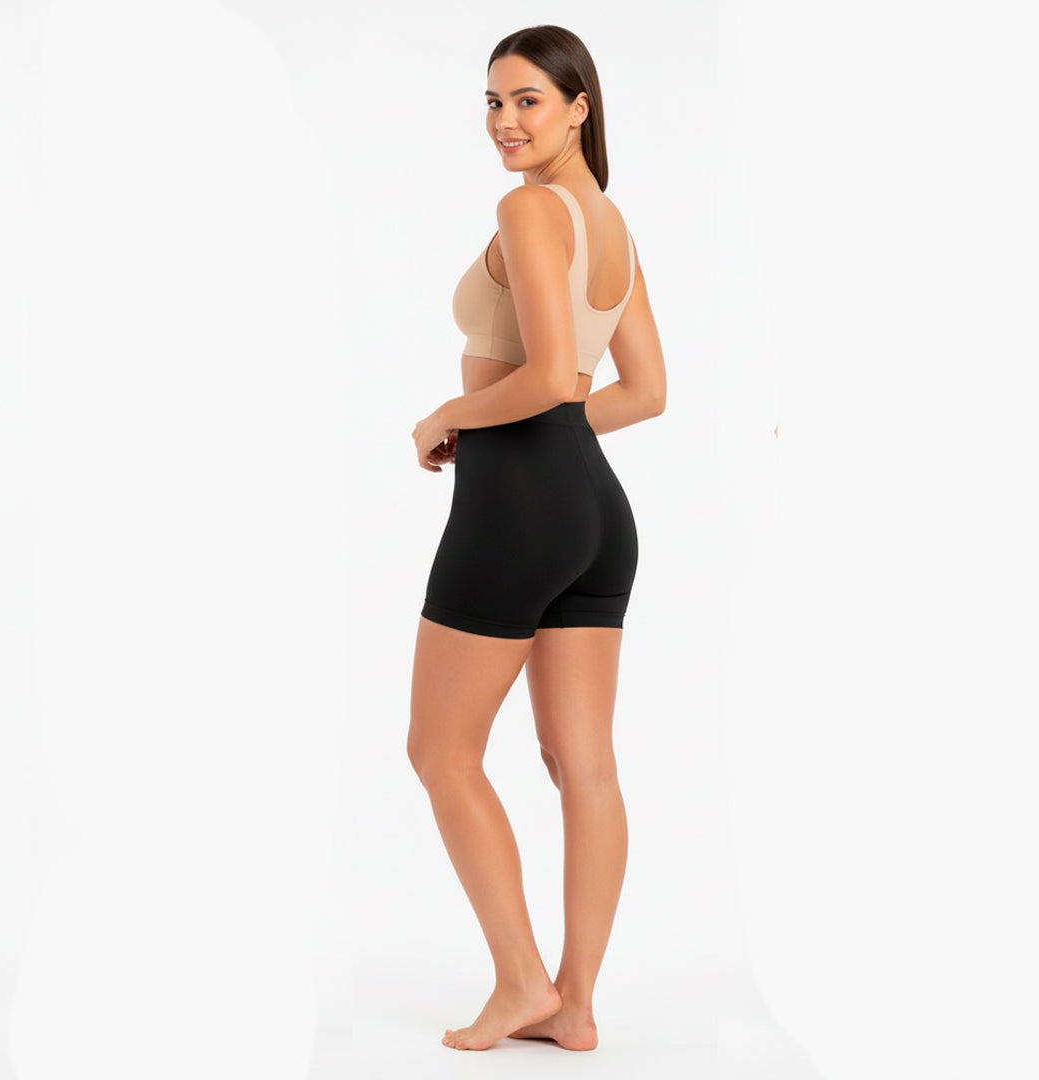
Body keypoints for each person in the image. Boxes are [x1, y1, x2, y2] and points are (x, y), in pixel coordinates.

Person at [407, 24, 666, 1053]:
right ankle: (575, 1005)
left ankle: (522, 982)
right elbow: (642, 393)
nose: (504, 122)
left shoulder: (528, 209)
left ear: (577, 109)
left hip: (517, 511)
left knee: (440, 750)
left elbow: (552, 376)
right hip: (595, 510)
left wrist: (452, 419)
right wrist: (552, 443)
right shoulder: (611, 226)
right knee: (582, 762)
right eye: (493, 101)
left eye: (527, 101)